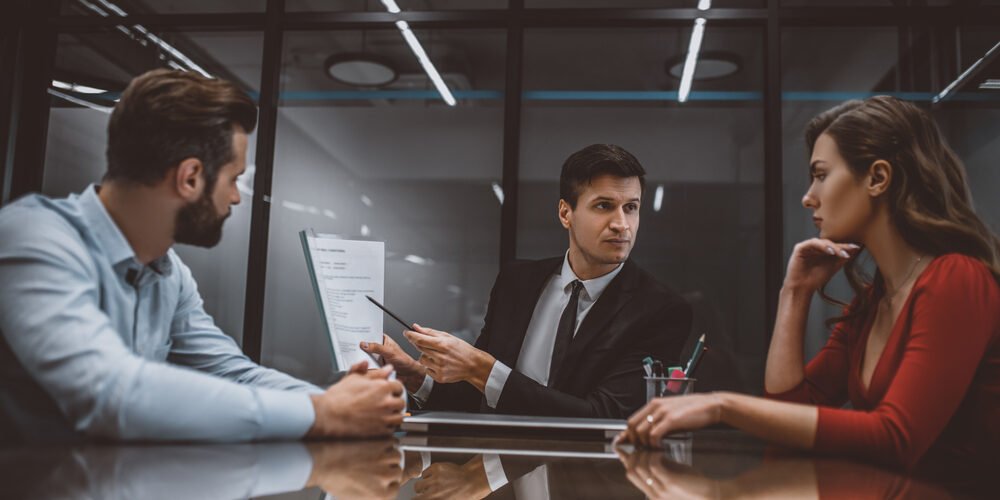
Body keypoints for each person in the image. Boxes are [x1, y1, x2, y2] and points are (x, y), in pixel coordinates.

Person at [0, 69, 405, 443]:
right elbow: (111, 392)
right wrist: (322, 412)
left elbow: (233, 373)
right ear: (190, 177)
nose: (234, 198)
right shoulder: (34, 238)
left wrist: (348, 402)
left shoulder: (168, 271)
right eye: (233, 180)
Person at [620, 96, 1000, 474]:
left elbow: (895, 439)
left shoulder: (958, 279)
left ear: (878, 178)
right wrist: (795, 293)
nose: (808, 197)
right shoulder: (871, 302)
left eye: (820, 175)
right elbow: (792, 414)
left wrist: (723, 405)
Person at [364, 144, 693, 418]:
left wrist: (481, 367)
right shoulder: (516, 283)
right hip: (495, 478)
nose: (622, 224)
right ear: (566, 213)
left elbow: (603, 417)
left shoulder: (660, 310)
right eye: (604, 206)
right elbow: (476, 397)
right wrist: (412, 374)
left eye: (631, 208)